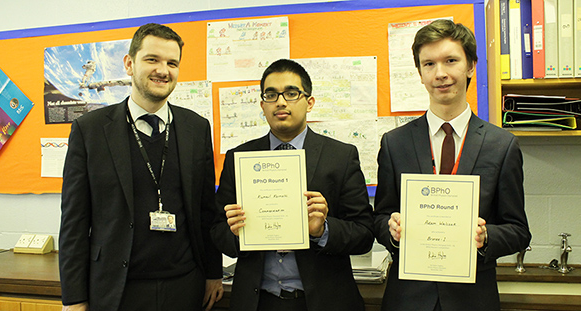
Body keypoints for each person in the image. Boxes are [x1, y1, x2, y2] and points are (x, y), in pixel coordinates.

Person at [59, 23, 223, 311]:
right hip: (116, 289)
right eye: (152, 59)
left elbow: (205, 210)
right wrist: (74, 298)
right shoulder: (91, 130)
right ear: (129, 64)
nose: (163, 70)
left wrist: (213, 273)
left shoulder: (196, 128)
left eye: (172, 63)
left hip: (185, 286)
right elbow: (74, 222)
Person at [373, 19, 531, 311]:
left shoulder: (502, 145)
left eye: (451, 61)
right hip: (407, 299)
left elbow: (519, 230)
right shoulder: (395, 143)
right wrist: (390, 229)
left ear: (470, 66)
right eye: (429, 64)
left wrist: (487, 237)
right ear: (420, 73)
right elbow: (380, 216)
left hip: (472, 299)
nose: (440, 73)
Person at [211, 58, 374, 311]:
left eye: (291, 93)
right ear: (262, 105)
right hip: (257, 301)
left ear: (309, 102)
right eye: (271, 94)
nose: (281, 102)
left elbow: (364, 233)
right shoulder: (240, 158)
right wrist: (235, 233)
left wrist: (323, 230)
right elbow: (217, 230)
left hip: (322, 301)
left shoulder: (340, 157)